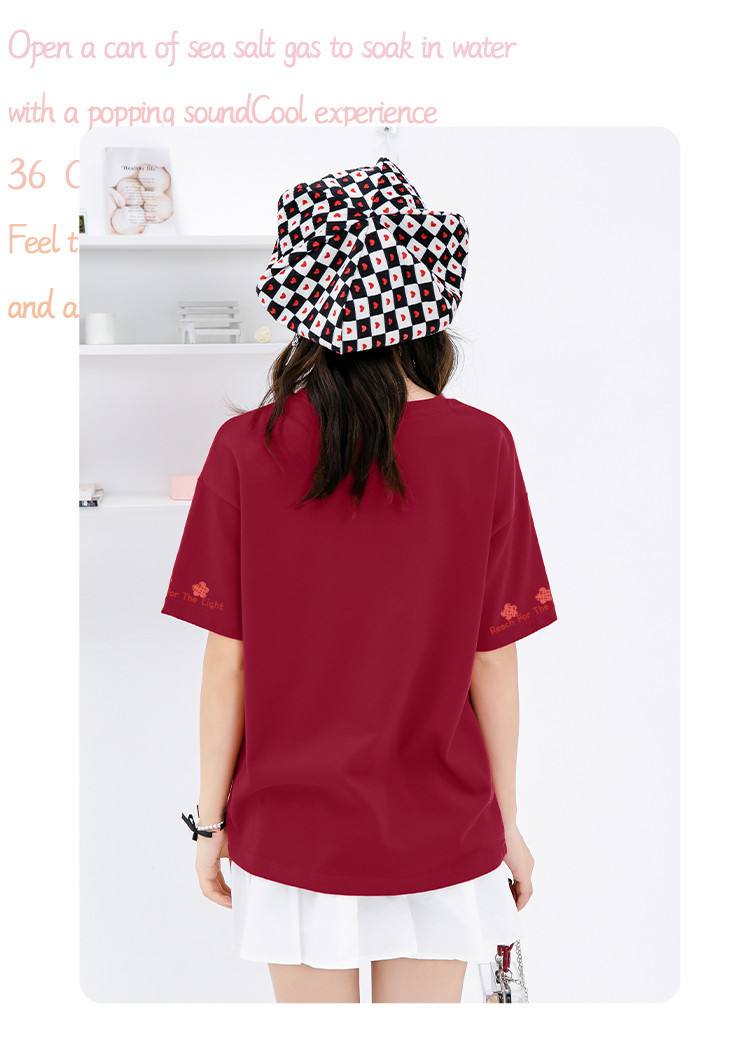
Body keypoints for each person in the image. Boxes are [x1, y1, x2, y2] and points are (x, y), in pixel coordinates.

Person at [161, 157, 558, 1003]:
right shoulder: (484, 445)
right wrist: (508, 822)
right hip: (441, 826)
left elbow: (227, 661)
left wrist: (209, 821)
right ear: (426, 301)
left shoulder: (246, 449)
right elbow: (493, 658)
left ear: (305, 306)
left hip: (290, 830)